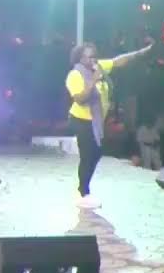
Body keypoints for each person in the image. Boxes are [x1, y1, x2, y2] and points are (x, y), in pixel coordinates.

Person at [65, 42, 152, 208]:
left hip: (95, 121)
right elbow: (80, 99)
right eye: (89, 57)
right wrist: (93, 80)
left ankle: (84, 189)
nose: (93, 59)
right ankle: (83, 192)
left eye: (94, 55)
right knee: (88, 155)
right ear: (80, 58)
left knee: (96, 153)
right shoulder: (75, 75)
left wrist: (141, 52)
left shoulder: (98, 67)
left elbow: (118, 61)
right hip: (81, 120)